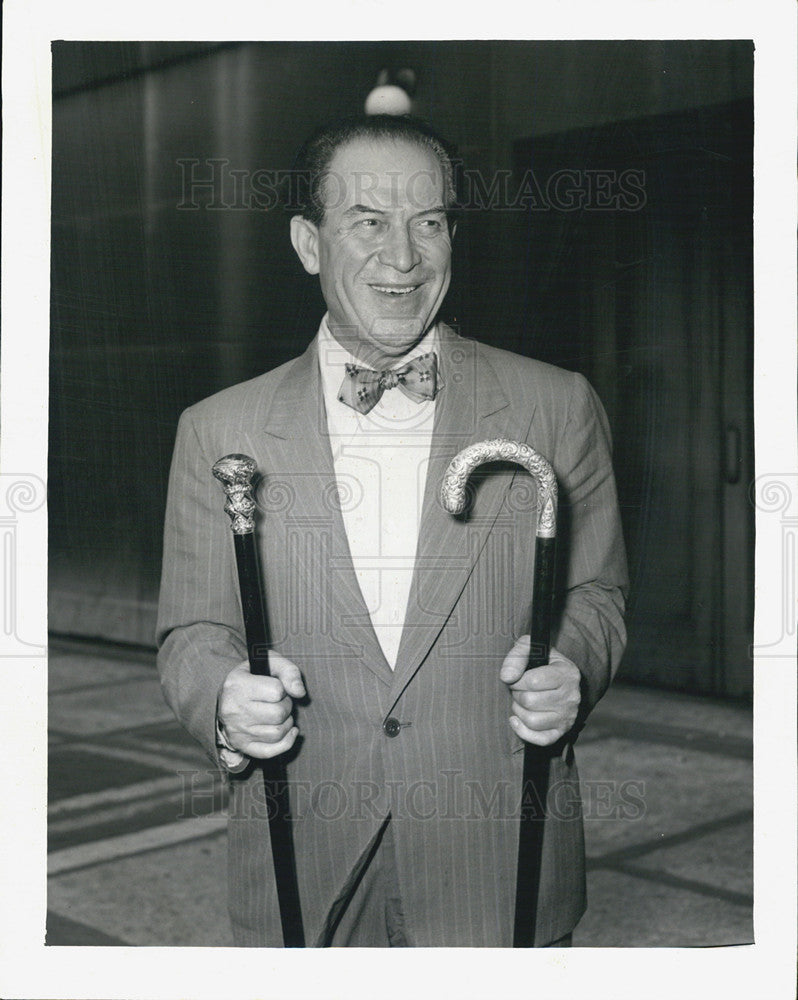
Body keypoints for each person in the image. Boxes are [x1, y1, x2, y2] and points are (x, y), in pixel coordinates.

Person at [156, 114, 628, 948]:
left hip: (498, 850)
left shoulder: (556, 406)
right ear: (309, 243)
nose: (404, 258)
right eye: (369, 222)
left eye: (429, 222)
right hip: (303, 848)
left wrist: (573, 666)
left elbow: (596, 592)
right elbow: (194, 630)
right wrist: (224, 700)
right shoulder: (216, 430)